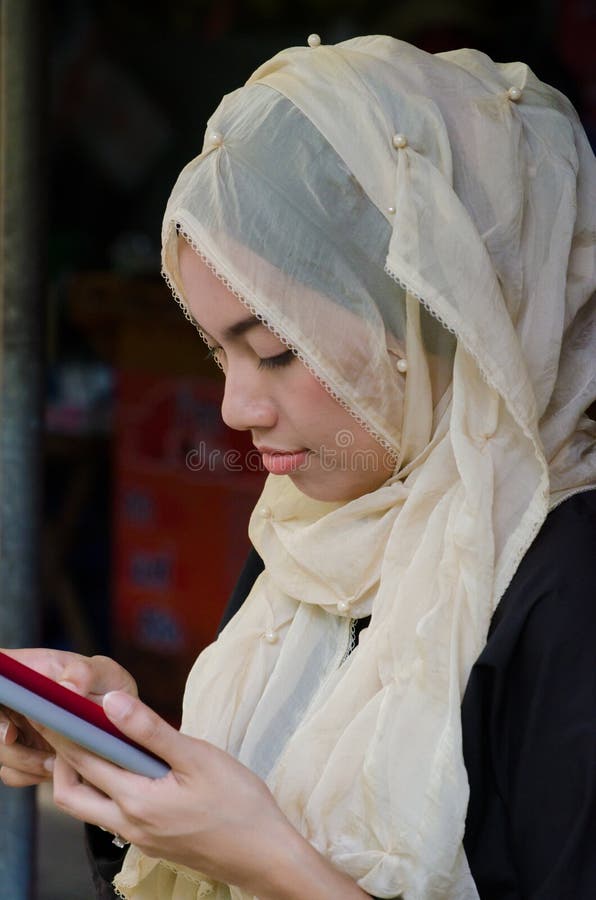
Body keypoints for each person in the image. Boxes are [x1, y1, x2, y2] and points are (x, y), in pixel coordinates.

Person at [1, 34, 595, 900]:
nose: (236, 408)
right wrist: (126, 753)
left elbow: (263, 844)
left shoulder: (564, 583)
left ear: (437, 324)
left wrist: (268, 862)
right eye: (217, 351)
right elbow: (266, 794)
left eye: (277, 351)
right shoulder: (313, 526)